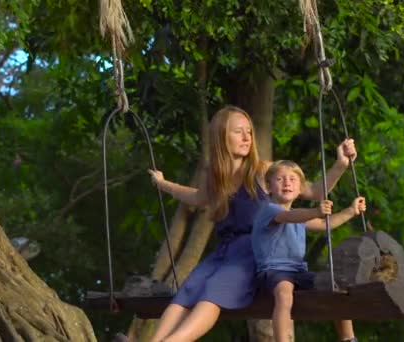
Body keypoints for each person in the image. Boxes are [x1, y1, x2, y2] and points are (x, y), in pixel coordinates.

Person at [147, 105, 357, 342]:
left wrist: (341, 164)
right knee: (188, 290)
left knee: (213, 292)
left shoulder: (262, 171)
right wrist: (162, 184)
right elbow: (196, 197)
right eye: (239, 131)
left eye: (249, 131)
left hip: (253, 251)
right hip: (224, 252)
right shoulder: (217, 177)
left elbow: (315, 191)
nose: (247, 137)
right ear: (221, 137)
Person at [252, 160, 365, 342]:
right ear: (268, 187)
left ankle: (348, 338)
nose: (287, 183)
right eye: (280, 179)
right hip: (274, 271)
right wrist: (315, 211)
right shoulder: (269, 210)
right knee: (284, 294)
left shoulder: (299, 215)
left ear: (300, 189)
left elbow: (323, 224)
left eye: (292, 180)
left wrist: (351, 211)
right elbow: (288, 217)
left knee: (334, 285)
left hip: (298, 271)